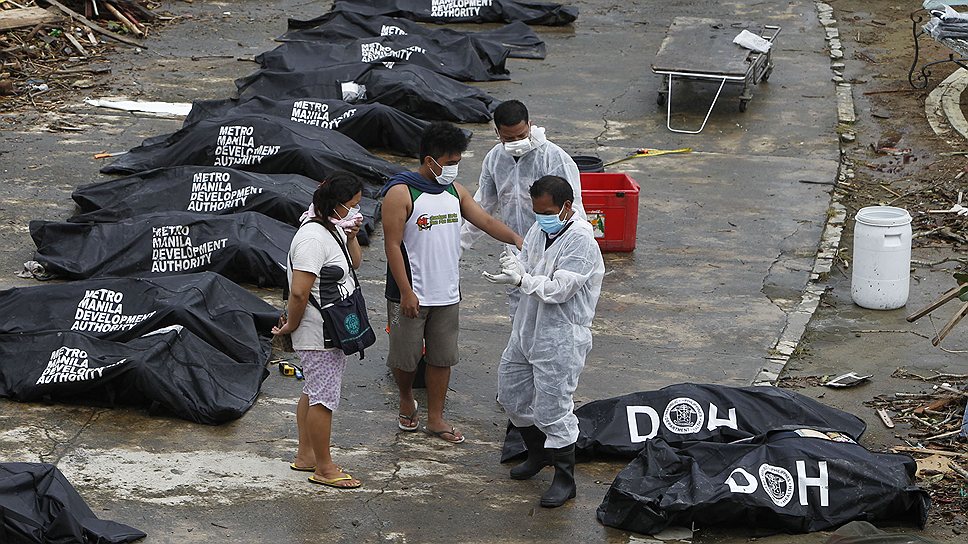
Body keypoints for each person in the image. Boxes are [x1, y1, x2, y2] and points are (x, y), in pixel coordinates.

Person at [383, 121, 523, 444]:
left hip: (447, 293)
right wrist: (405, 291)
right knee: (404, 359)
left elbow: (485, 221)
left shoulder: (454, 192)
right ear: (429, 160)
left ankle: (435, 418)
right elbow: (391, 245)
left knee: (442, 357)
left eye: (458, 162)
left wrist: (516, 238)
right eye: (449, 163)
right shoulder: (401, 193)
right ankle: (406, 398)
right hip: (411, 292)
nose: (454, 169)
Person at [483, 175, 605, 508]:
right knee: (511, 394)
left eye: (547, 211)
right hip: (526, 330)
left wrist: (523, 279)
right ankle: (537, 455)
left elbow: (559, 290)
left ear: (567, 207)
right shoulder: (541, 231)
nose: (540, 217)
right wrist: (514, 267)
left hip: (560, 336)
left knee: (554, 409)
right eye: (536, 211)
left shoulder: (581, 241)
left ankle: (565, 480)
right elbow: (530, 264)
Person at [272, 171, 366, 489]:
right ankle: (324, 468)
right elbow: (299, 292)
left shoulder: (332, 227)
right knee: (323, 398)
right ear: (334, 204)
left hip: (326, 327)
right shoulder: (312, 238)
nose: (354, 211)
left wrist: (352, 235)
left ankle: (306, 455)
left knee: (313, 390)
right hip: (318, 330)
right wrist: (293, 325)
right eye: (351, 206)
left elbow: (355, 263)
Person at [460, 99, 585, 252]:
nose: (517, 142)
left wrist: (578, 245)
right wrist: (460, 244)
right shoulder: (495, 159)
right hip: (515, 247)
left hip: (552, 246)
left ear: (529, 125)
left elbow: (573, 206)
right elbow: (483, 206)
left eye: (521, 135)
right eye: (509, 138)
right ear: (497, 133)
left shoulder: (554, 158)